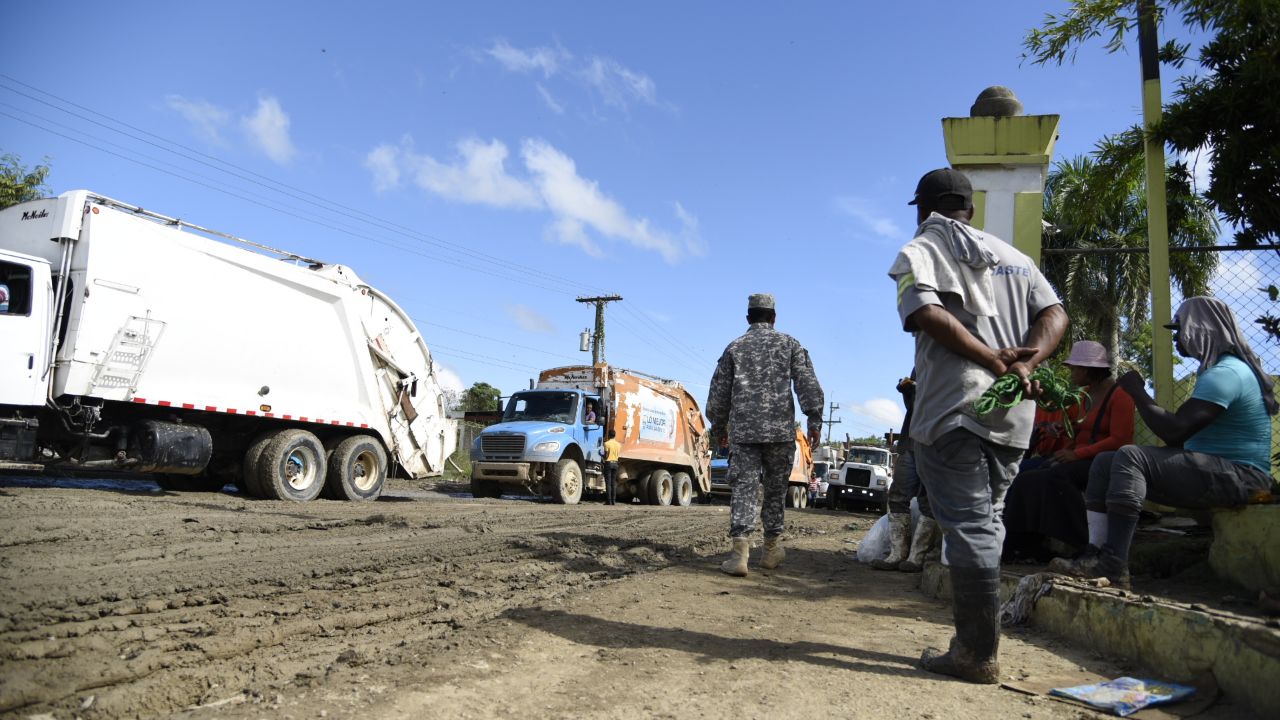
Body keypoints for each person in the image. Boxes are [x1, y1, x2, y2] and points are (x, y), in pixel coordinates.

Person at [888, 168, 1067, 683]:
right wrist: (1024, 366)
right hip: (1013, 413)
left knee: (969, 525)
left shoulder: (918, 252)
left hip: (954, 409)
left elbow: (925, 312)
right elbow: (1056, 314)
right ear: (969, 206)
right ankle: (974, 644)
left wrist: (992, 360)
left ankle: (976, 652)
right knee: (987, 517)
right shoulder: (1015, 258)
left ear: (925, 207)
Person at [1056, 296, 1277, 588]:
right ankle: (1095, 553)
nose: (1175, 338)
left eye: (1178, 330)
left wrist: (1137, 391)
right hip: (1220, 472)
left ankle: (1113, 563)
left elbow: (1174, 432)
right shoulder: (1215, 372)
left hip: (1243, 477)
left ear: (1201, 330)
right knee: (1104, 461)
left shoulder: (1227, 373)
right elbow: (1180, 433)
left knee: (1130, 456)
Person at [707, 293, 824, 577]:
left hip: (744, 434)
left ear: (748, 318)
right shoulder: (790, 345)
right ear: (773, 317)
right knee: (774, 491)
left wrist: (719, 429)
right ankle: (770, 550)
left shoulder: (735, 348)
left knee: (744, 490)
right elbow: (807, 384)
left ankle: (739, 555)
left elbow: (719, 396)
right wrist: (814, 421)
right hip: (780, 433)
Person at [1003, 340, 1136, 563]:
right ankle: (1019, 545)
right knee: (1023, 475)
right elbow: (1078, 427)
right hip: (1077, 456)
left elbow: (1119, 439)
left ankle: (1082, 541)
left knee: (1054, 477)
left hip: (1101, 461)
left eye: (1074, 368)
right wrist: (1061, 431)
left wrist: (1077, 455)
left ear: (1088, 369)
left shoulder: (1120, 395)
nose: (1071, 372)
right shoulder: (1084, 395)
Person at [872, 372, 939, 573]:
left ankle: (917, 557)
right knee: (898, 495)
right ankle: (897, 554)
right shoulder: (921, 363)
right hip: (912, 439)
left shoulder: (954, 359)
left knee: (929, 499)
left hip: (937, 441)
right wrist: (908, 390)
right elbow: (913, 406)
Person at [602, 429, 622, 506]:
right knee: (613, 483)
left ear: (609, 435)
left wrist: (601, 454)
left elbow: (606, 456)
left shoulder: (606, 444)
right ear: (614, 435)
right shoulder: (618, 445)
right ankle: (614, 501)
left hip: (609, 464)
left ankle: (608, 501)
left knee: (608, 483)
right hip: (616, 464)